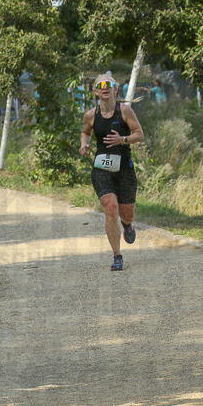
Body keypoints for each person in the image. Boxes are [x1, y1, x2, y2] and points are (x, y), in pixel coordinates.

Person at [78, 73, 145, 271]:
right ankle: (117, 255)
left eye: (110, 84)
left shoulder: (125, 111)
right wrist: (84, 144)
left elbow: (139, 135)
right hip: (101, 169)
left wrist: (122, 140)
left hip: (124, 169)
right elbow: (85, 132)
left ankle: (127, 225)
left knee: (127, 213)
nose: (105, 87)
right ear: (96, 91)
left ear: (115, 89)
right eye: (101, 85)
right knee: (111, 207)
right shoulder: (91, 115)